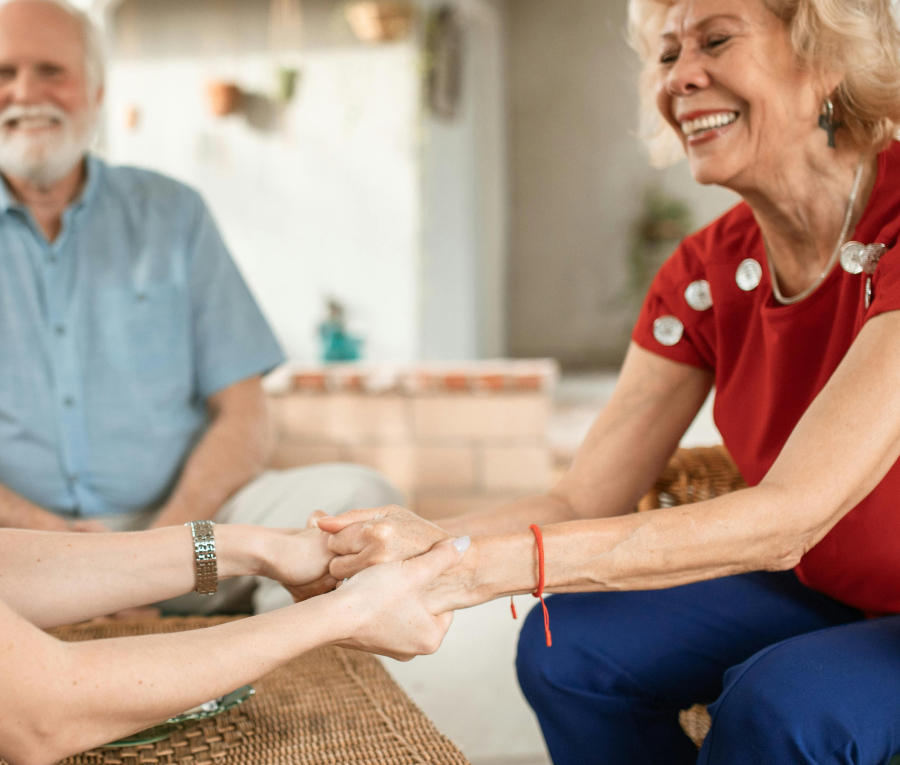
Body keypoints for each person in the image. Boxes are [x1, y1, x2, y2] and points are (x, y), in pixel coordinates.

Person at [0, 1, 466, 763]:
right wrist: (342, 614)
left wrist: (254, 547)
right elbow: (40, 708)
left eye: (50, 70)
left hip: (146, 516)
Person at [313, 0, 900, 762]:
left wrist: (471, 571)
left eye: (716, 40)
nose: (681, 76)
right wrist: (404, 543)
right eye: (666, 54)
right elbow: (577, 498)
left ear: (826, 59)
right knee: (571, 652)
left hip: (833, 573)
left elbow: (791, 515)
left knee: (783, 704)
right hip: (825, 585)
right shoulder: (704, 271)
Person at [0, 0, 402, 597]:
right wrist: (50, 538)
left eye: (51, 71)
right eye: (1, 74)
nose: (25, 93)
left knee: (359, 503)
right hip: (9, 552)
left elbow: (245, 412)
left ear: (96, 90)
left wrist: (160, 550)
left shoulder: (175, 214)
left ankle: (283, 685)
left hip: (197, 548)